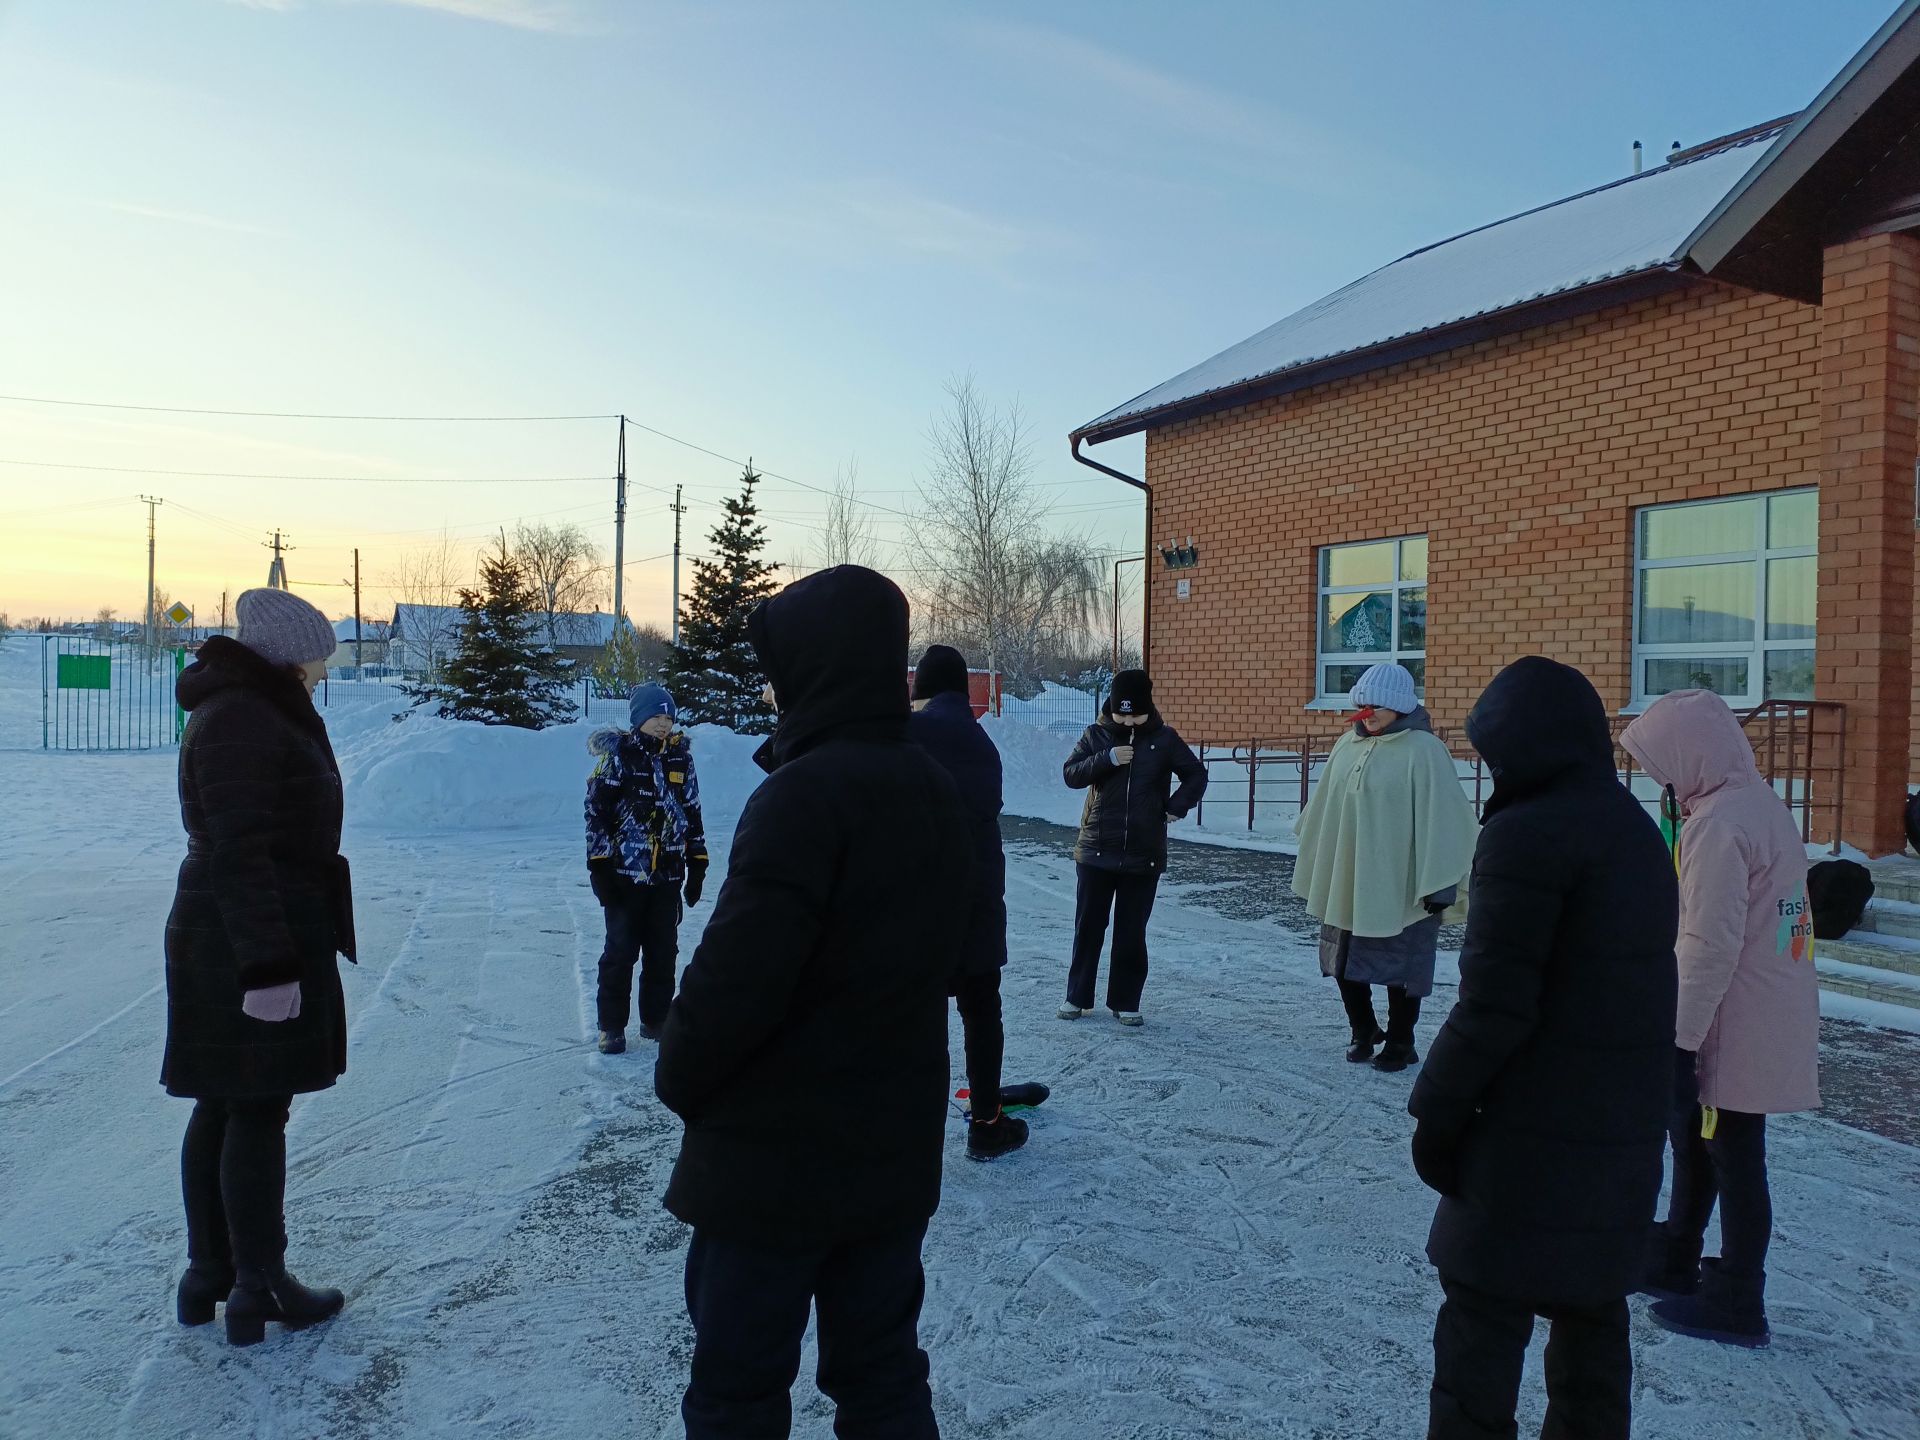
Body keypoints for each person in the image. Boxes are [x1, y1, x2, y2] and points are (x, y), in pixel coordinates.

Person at [655, 566, 971, 1440]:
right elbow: (964, 947)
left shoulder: (803, 794)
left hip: (771, 1164)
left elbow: (735, 982)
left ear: (814, 668)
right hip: (890, 1150)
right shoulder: (931, 784)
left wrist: (680, 1076)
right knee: (882, 1377)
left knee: (738, 1388)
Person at [1408, 657, 1677, 1439]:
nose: (1490, 769)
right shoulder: (1633, 828)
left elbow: (1492, 1007)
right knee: (1593, 1331)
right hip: (1617, 1137)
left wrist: (1437, 1113)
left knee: (1479, 1339)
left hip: (1524, 1142)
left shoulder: (1525, 835)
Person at [164, 588, 354, 1347]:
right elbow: (241, 848)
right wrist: (269, 966)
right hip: (246, 930)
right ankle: (258, 1282)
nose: (322, 669)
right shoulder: (244, 714)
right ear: (288, 651)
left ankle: (210, 1274)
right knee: (253, 1106)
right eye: (317, 655)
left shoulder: (246, 704)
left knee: (222, 1101)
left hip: (237, 922)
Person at [1622, 689, 1818, 1348]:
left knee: (1733, 1154)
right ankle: (1677, 1251)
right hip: (1760, 1007)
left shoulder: (1718, 825)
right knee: (1702, 1141)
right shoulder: (1757, 805)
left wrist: (1677, 1042)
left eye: (1661, 765)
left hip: (1731, 1018)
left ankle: (1738, 1297)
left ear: (1691, 754)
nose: (1659, 781)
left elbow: (1709, 942)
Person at [1290, 662, 1478, 1071]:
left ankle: (1401, 1042)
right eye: (1362, 705)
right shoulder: (1346, 745)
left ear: (1400, 707)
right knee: (1343, 958)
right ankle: (1363, 1029)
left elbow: (1445, 818)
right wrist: (1316, 850)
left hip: (1403, 882)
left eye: (1377, 706)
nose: (1367, 714)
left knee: (1401, 965)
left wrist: (1440, 881)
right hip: (1348, 876)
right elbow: (1324, 807)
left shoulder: (1425, 751)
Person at [908, 645, 1050, 1162]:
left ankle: (906, 1125)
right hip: (977, 898)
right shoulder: (980, 741)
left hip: (916, 904)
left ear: (918, 687)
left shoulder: (905, 732)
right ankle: (987, 1123)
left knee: (914, 1012)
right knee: (980, 1008)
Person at [1059, 669, 1207, 1025]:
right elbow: (1071, 774)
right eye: (1120, 713)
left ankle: (1125, 1002)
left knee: (1131, 932)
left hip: (1143, 855)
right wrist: (1106, 758)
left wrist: (1176, 806)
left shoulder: (1164, 739)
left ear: (1148, 708)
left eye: (1134, 713)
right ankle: (1077, 997)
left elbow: (1196, 774)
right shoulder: (1096, 735)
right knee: (1088, 927)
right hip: (1096, 850)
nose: (1127, 720)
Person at [585, 682, 708, 1053]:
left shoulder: (680, 759)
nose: (663, 724)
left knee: (663, 951)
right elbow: (596, 814)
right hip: (625, 876)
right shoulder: (619, 756)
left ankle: (656, 1020)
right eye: (656, 716)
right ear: (639, 718)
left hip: (667, 875)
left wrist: (697, 862)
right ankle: (612, 1026)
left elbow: (692, 811)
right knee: (620, 952)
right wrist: (600, 865)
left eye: (668, 717)